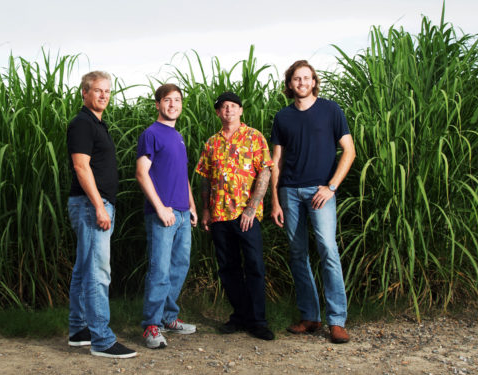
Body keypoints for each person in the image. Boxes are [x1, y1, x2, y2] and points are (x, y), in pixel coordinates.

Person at [269, 60, 356, 344]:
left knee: (328, 250)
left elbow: (349, 151)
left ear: (314, 82)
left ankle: (337, 321)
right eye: (297, 79)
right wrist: (275, 201)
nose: (302, 83)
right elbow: (276, 162)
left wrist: (331, 187)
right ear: (290, 84)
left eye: (307, 78)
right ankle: (310, 316)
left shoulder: (332, 111)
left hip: (321, 193)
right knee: (297, 255)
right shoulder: (282, 117)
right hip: (290, 193)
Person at [66, 70, 138, 358]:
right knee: (98, 272)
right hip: (90, 205)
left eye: (107, 91)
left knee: (84, 269)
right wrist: (98, 205)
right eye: (98, 90)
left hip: (92, 204)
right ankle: (102, 340)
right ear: (84, 93)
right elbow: (81, 167)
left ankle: (78, 330)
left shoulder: (95, 124)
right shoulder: (82, 124)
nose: (104, 95)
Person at [195, 91, 275, 341]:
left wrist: (252, 207)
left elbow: (265, 172)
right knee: (228, 268)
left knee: (254, 266)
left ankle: (258, 321)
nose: (228, 110)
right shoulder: (212, 142)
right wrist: (206, 210)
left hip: (246, 215)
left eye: (233, 106)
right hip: (219, 215)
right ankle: (240, 316)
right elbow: (205, 177)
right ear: (218, 113)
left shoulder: (254, 137)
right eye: (223, 107)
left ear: (241, 110)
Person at [136, 83, 199, 349]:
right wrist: (161, 208)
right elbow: (142, 173)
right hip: (163, 214)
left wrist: (192, 206)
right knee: (159, 270)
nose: (172, 104)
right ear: (158, 104)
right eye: (167, 100)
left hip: (183, 213)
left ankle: (168, 318)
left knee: (178, 268)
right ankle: (151, 326)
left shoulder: (178, 136)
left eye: (177, 100)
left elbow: (182, 175)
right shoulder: (151, 134)